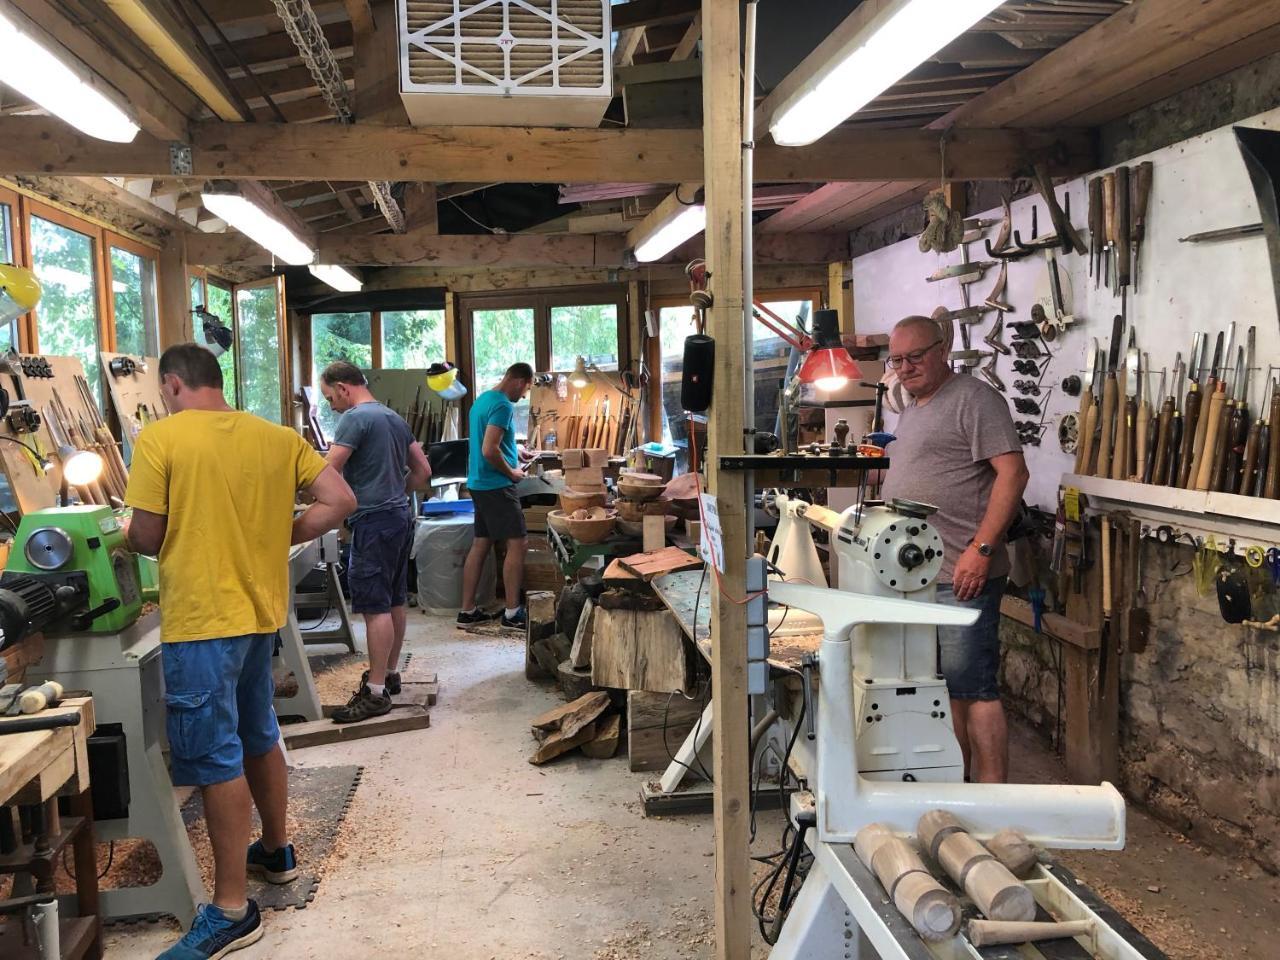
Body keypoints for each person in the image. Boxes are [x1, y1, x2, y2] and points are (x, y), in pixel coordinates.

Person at [125, 343, 356, 960]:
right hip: (259, 615)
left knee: (214, 755)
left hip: (202, 622)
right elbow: (340, 502)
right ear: (215, 382)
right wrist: (281, 530)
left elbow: (147, 534)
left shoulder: (161, 440)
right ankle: (276, 850)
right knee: (258, 732)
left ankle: (231, 910)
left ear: (173, 384)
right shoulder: (275, 437)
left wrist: (125, 533)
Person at [880, 315, 1029, 784]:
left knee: (975, 689)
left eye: (915, 356)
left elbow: (1013, 474)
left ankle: (993, 798)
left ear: (942, 349)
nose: (905, 368)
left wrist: (981, 549)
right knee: (948, 691)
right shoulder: (914, 406)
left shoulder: (974, 399)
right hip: (924, 574)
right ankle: (961, 787)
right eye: (898, 360)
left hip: (962, 572)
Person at [319, 361, 432, 723]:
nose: (331, 406)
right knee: (394, 599)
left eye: (329, 397)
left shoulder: (354, 419)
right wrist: (396, 491)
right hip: (400, 516)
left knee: (374, 607)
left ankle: (376, 692)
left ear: (343, 388)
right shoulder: (394, 418)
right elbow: (424, 472)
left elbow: (328, 469)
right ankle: (391, 674)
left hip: (372, 520)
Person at [457, 362, 534, 629]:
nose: (524, 395)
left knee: (481, 543)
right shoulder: (503, 405)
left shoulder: (483, 399)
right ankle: (513, 613)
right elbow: (490, 450)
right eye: (526, 388)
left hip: (479, 483)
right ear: (519, 380)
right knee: (518, 543)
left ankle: (467, 611)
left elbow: (488, 441)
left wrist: (516, 449)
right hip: (496, 485)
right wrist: (512, 472)